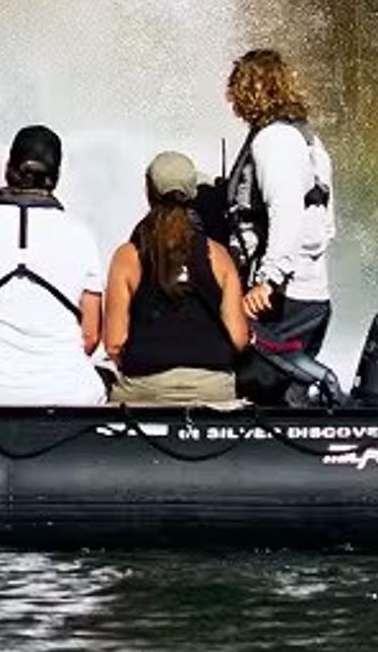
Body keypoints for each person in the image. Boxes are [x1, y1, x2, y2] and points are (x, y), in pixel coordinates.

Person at [0, 124, 108, 407]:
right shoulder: (80, 235)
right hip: (70, 392)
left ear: (8, 167)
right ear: (56, 177)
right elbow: (91, 335)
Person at [224, 48, 337, 402]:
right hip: (311, 294)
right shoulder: (308, 141)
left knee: (251, 385)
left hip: (281, 300)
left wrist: (267, 281)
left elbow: (285, 210)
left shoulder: (273, 140)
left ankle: (329, 387)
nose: (233, 103)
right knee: (283, 396)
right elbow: (324, 224)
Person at [98, 150, 253, 407]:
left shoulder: (128, 256)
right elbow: (238, 338)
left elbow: (114, 343)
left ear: (149, 192)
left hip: (146, 388)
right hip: (212, 390)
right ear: (193, 193)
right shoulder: (219, 255)